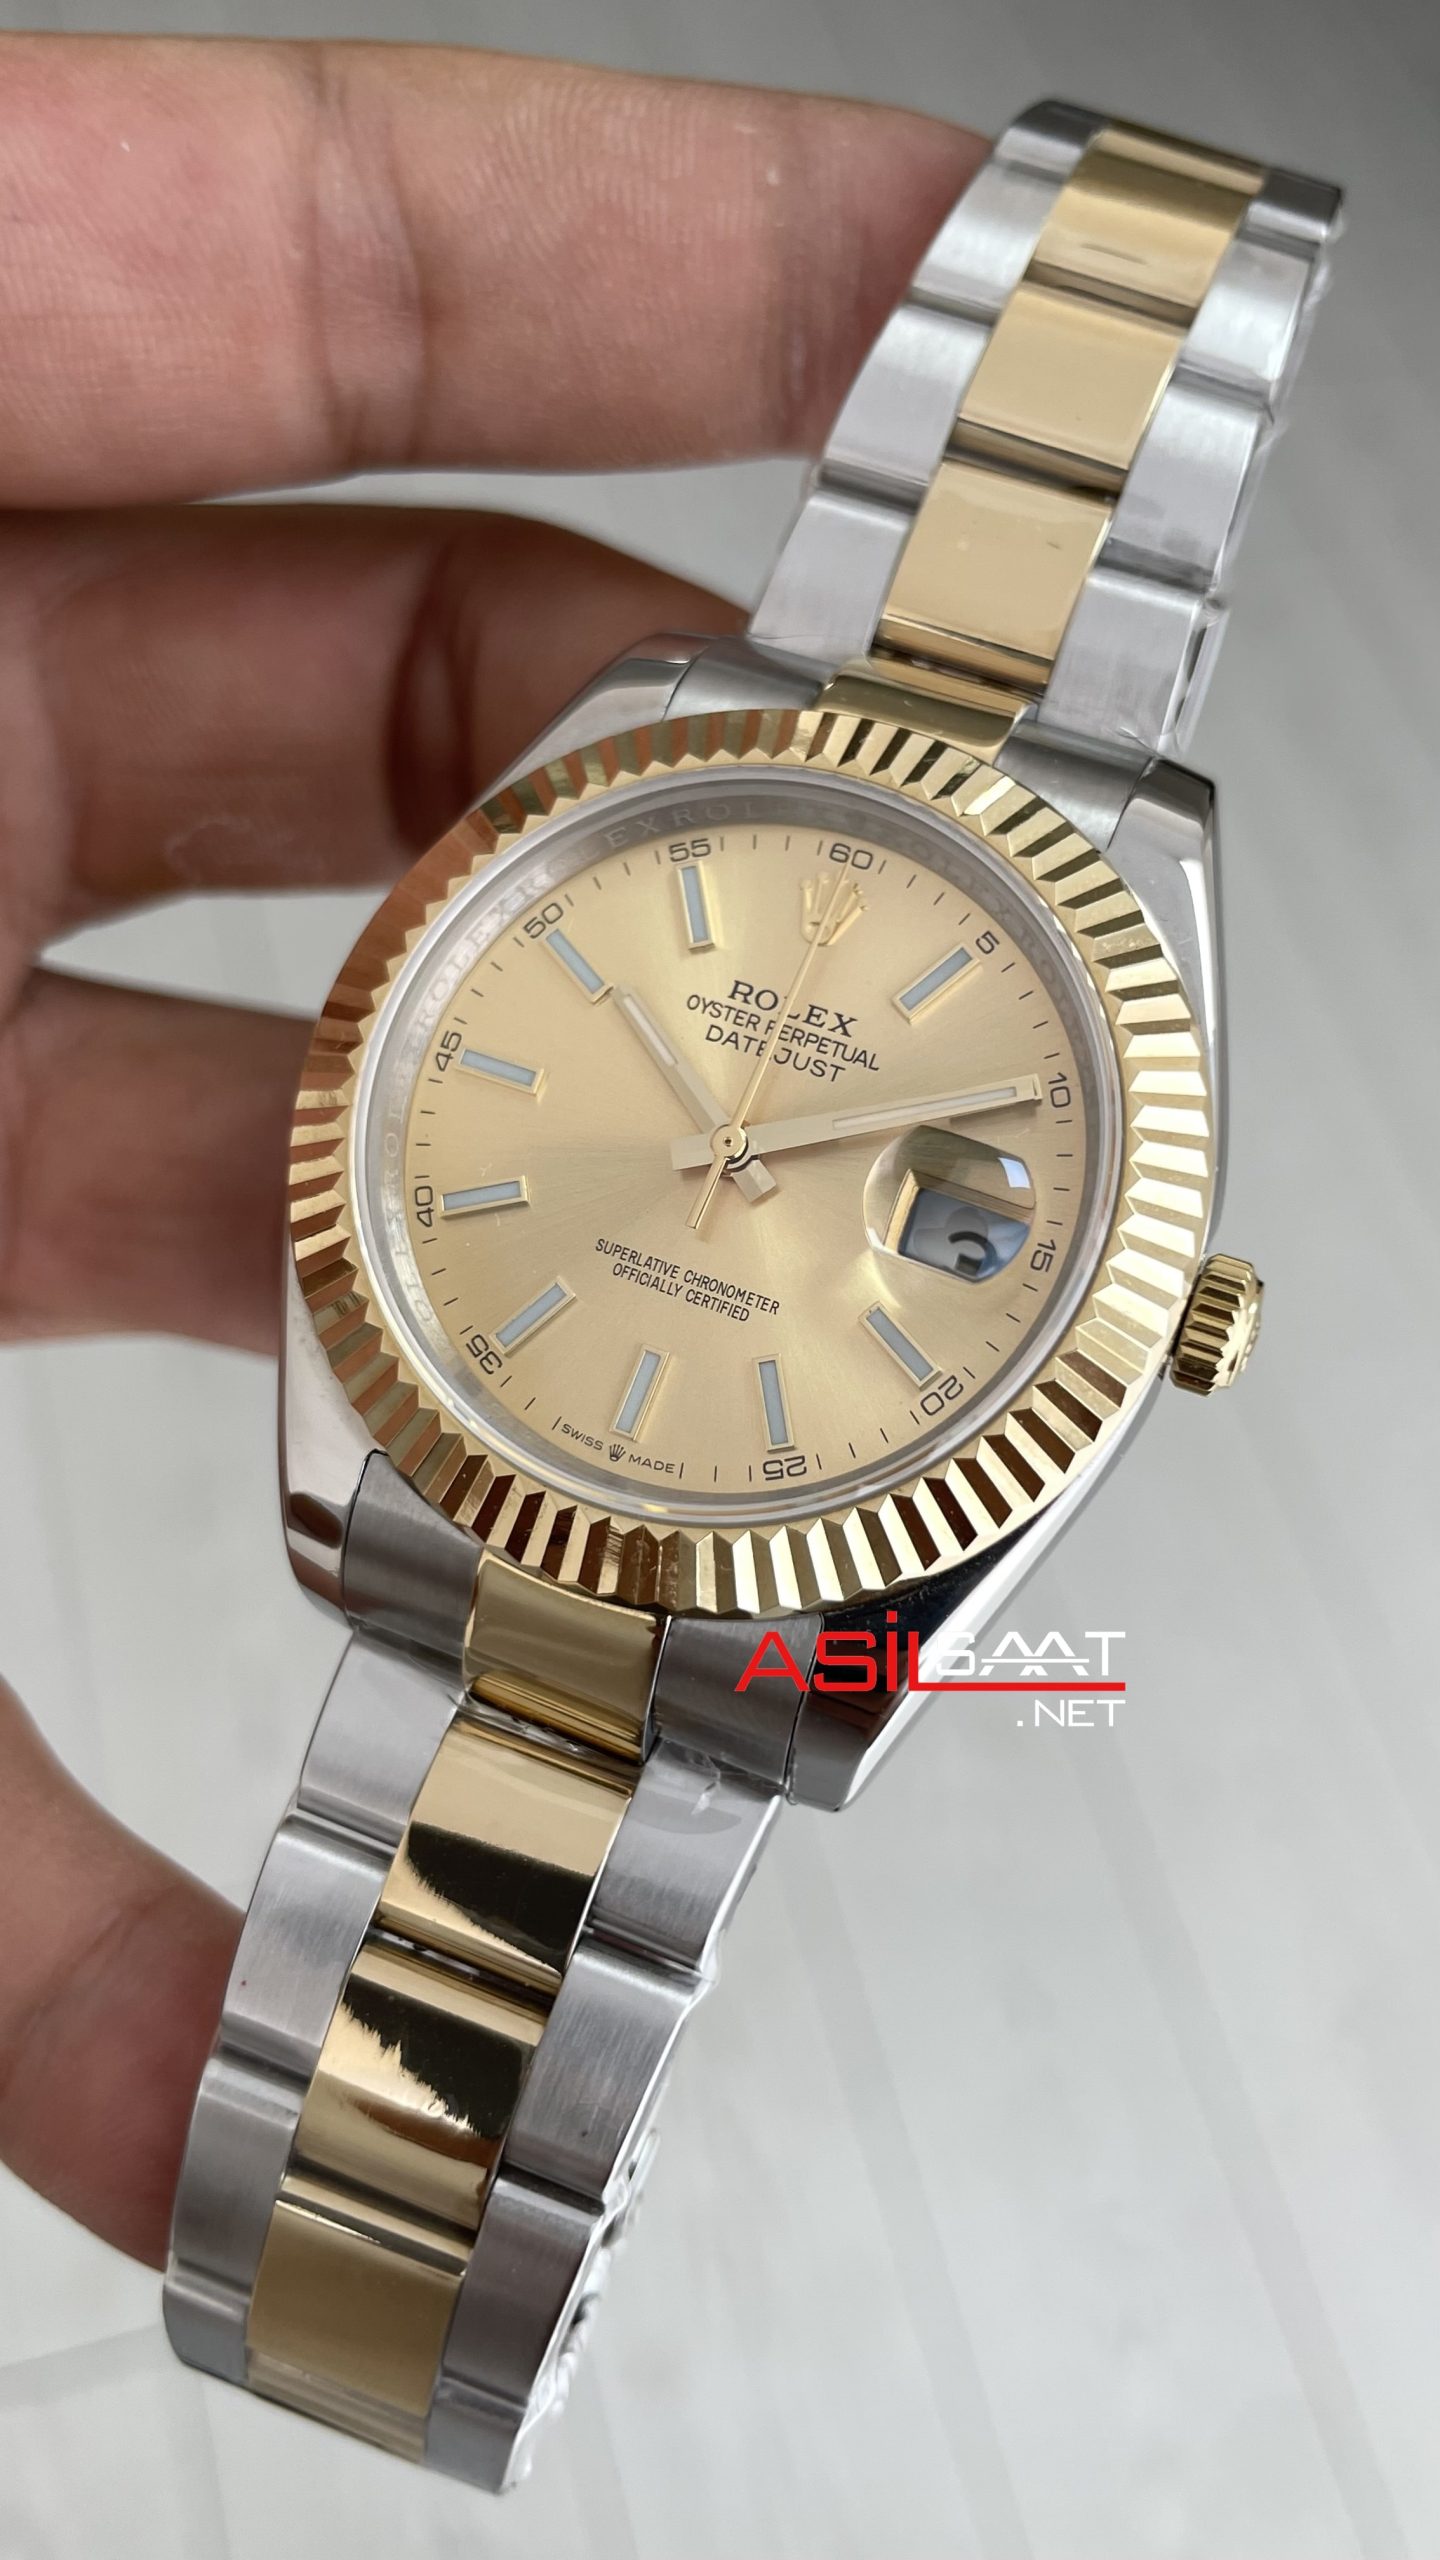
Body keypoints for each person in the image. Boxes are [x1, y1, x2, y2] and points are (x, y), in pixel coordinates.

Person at [0, 31, 980, 2272]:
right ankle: (388, 2265)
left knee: (383, 2221)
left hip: (654, 1469)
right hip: (484, 1360)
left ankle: (395, 2270)